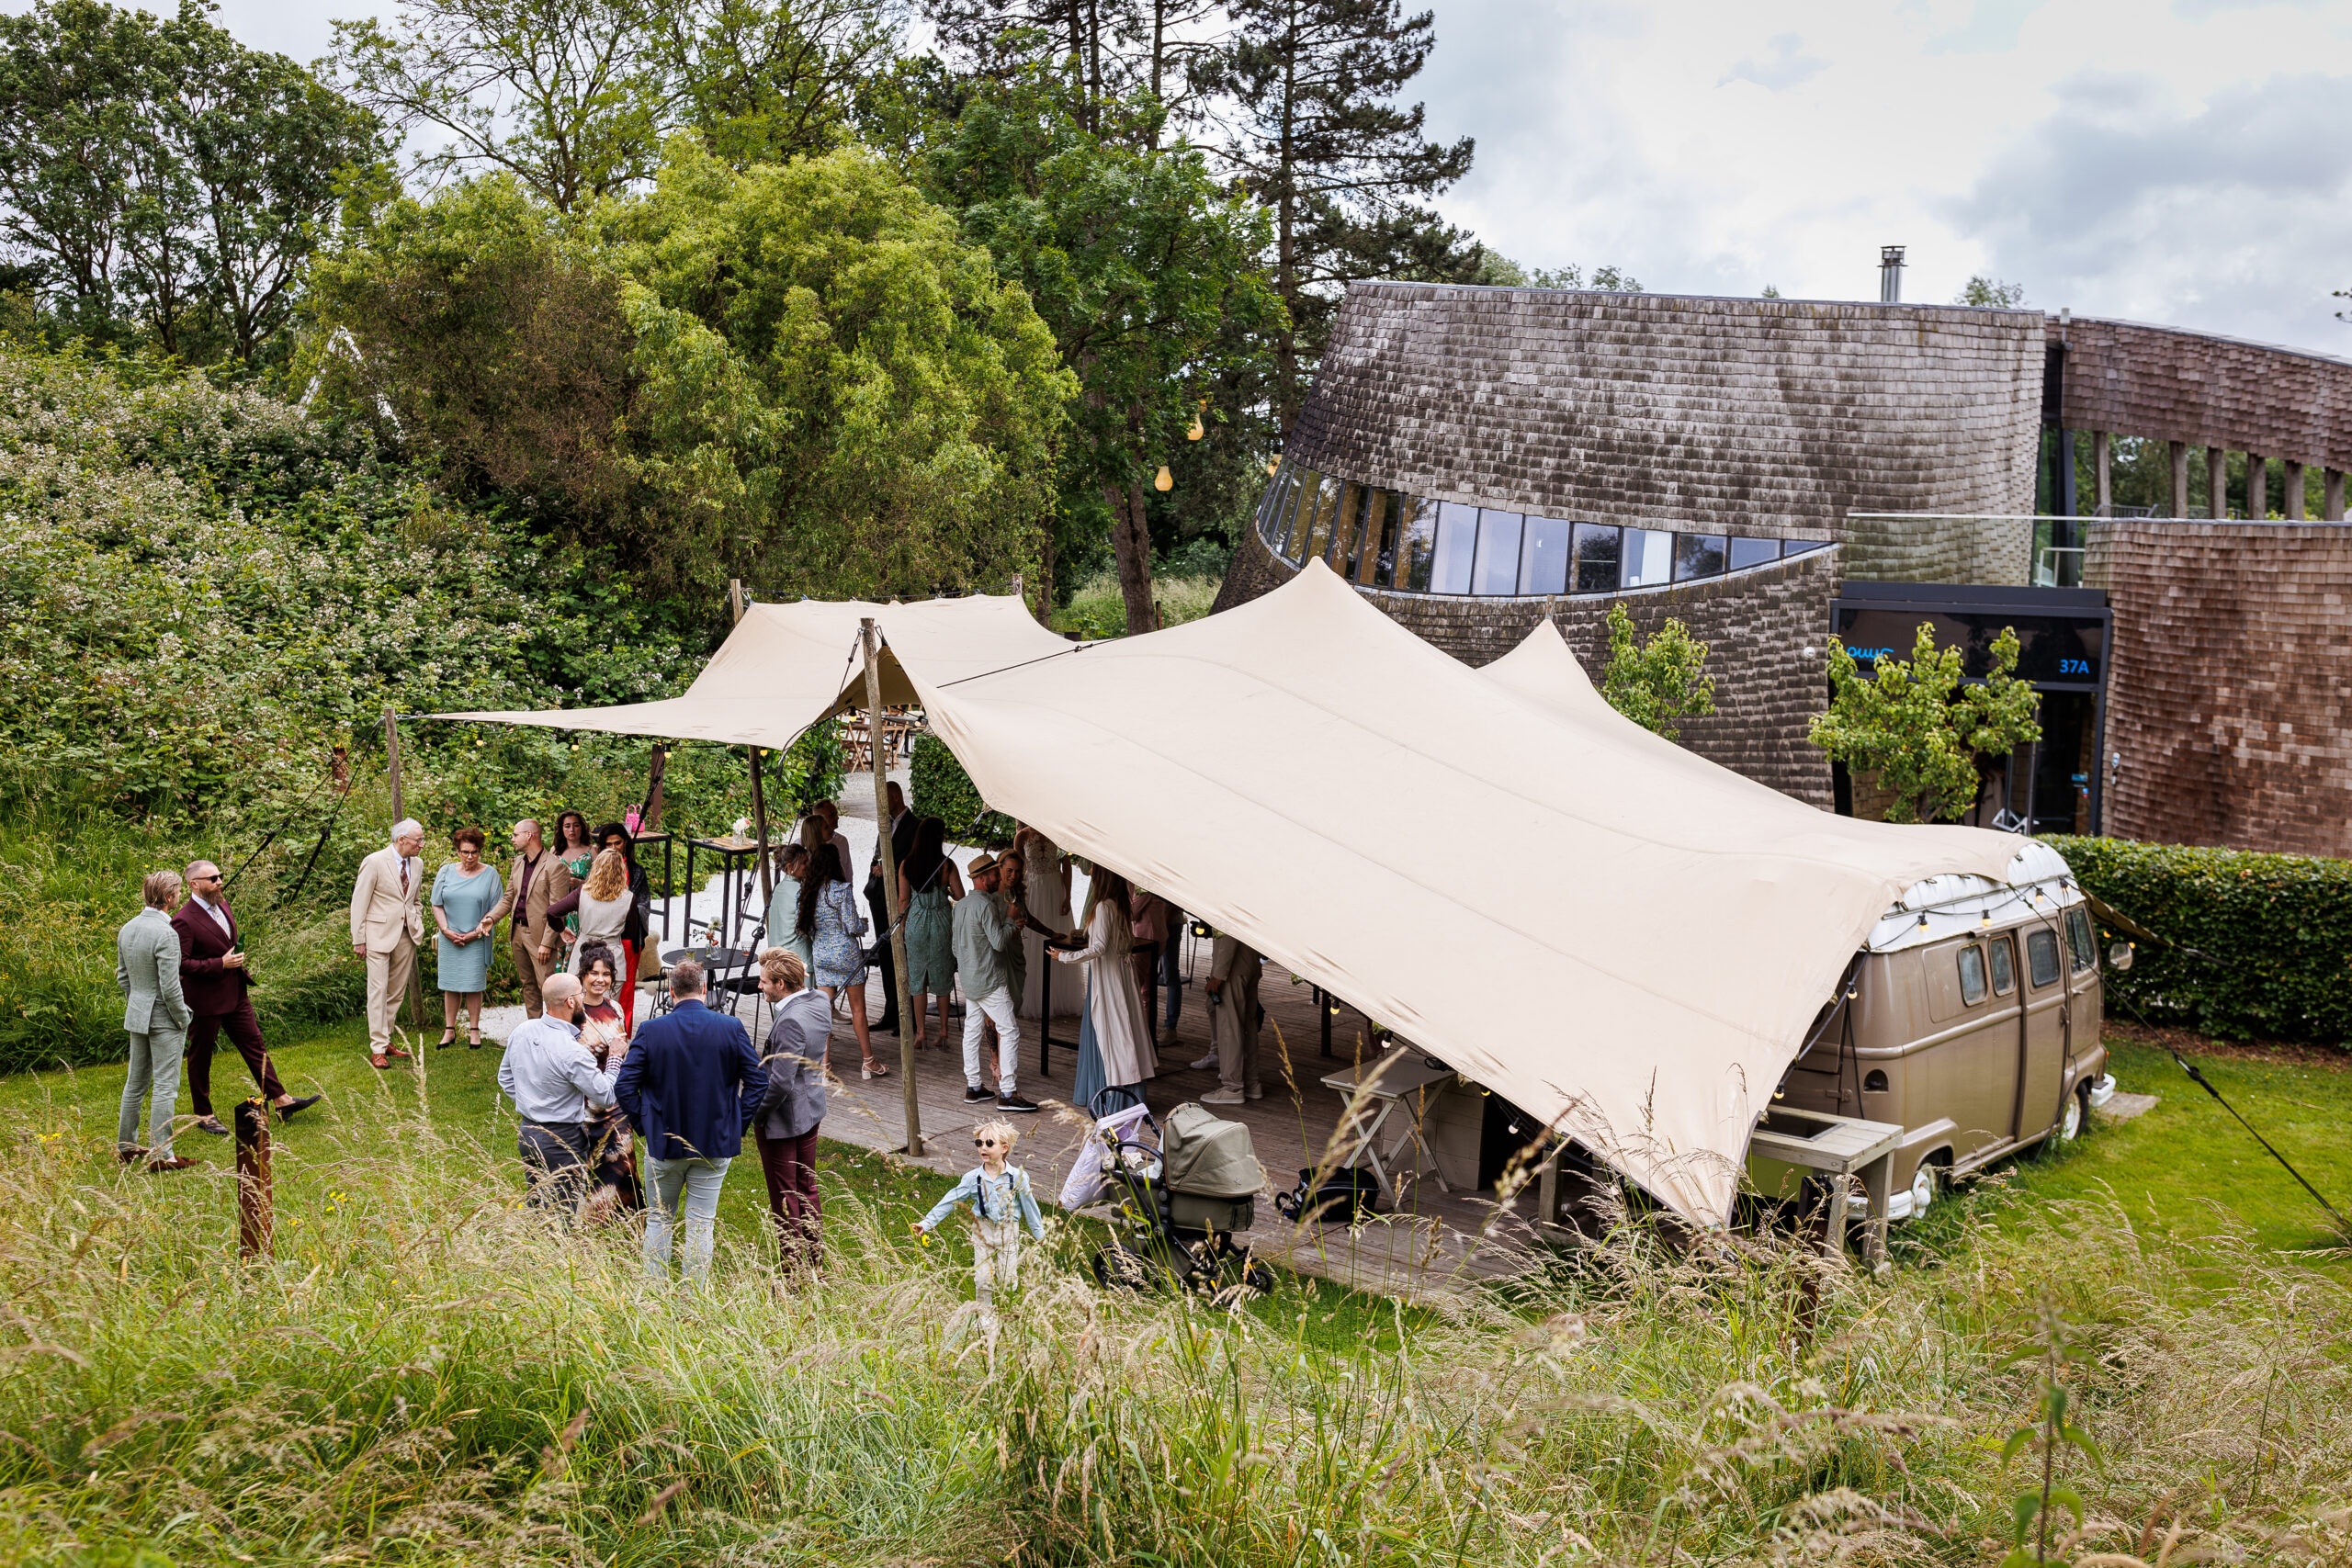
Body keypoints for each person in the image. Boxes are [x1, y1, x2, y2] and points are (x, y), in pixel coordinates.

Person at [616, 959, 766, 1283]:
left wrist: (645, 1123)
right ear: (705, 989)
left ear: (670, 992)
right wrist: (736, 1124)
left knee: (659, 1220)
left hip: (663, 1143)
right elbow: (758, 1081)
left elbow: (624, 1086)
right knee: (701, 1223)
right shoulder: (730, 1027)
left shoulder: (651, 1030)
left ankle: (654, 1293)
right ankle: (694, 1295)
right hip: (714, 1143)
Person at [173, 860, 320, 1134]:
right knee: (200, 1056)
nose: (219, 882)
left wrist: (232, 962)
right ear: (194, 884)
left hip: (235, 991)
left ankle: (281, 1100)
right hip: (205, 999)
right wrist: (220, 964)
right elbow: (182, 963)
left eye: (220, 876)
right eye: (212, 878)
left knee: (255, 1045)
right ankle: (203, 1113)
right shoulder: (184, 919)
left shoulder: (222, 904)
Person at [911, 1118, 1046, 1333]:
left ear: (1004, 1148)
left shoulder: (1018, 1177)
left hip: (1007, 1232)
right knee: (983, 1277)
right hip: (982, 1231)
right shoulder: (972, 1178)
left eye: (989, 1144)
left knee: (1008, 1280)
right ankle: (985, 1317)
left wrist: (1039, 1233)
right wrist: (927, 1223)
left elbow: (1030, 1207)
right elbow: (950, 1200)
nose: (983, 1148)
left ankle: (1006, 1315)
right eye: (979, 1144)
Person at [495, 972, 612, 1213]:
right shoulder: (572, 1051)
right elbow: (606, 1096)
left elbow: (504, 1077)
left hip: (528, 1134)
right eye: (581, 993)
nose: (583, 998)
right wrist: (616, 1060)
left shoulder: (523, 1031)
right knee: (562, 1214)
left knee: (538, 1208)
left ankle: (534, 1249)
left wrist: (532, 1102)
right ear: (571, 1001)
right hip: (561, 1139)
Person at [752, 947, 831, 1269]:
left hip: (784, 1118)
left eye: (765, 982)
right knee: (806, 1188)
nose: (760, 987)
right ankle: (815, 1260)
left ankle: (793, 1269)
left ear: (782, 984)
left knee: (785, 1196)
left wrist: (757, 1115)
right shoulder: (819, 1001)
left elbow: (781, 1083)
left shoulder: (790, 1022)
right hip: (811, 1107)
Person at [1055, 865, 1155, 1115]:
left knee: (1111, 1035)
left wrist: (1064, 956)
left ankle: (1111, 1099)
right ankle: (1129, 1098)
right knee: (1124, 1034)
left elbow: (1098, 947)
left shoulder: (1102, 907)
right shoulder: (1120, 905)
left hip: (1108, 977)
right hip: (1122, 975)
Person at [116, 870, 195, 1171]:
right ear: (170, 897)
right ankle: (163, 1155)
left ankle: (126, 1147)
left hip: (137, 1014)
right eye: (177, 892)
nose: (179, 896)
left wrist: (137, 1004)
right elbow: (171, 985)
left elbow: (123, 977)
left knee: (135, 1083)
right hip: (164, 1017)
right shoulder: (166, 933)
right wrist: (181, 1017)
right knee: (165, 1085)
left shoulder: (128, 928)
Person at [951, 852, 1035, 1112]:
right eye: (995, 875)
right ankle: (1008, 1092)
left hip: (970, 977)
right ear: (982, 878)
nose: (998, 878)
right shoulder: (986, 905)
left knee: (972, 1031)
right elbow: (998, 943)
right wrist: (1010, 920)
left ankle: (974, 1086)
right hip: (990, 979)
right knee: (1009, 1030)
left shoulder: (962, 905)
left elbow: (955, 948)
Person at [799, 841, 888, 1079]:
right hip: (846, 954)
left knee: (825, 1010)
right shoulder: (841, 890)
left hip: (823, 955)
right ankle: (868, 1061)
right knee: (858, 1009)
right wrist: (863, 925)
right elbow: (851, 925)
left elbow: (807, 929)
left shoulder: (808, 890)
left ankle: (825, 1065)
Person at [350, 818, 427, 1069]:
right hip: (377, 936)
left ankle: (386, 1041)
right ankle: (377, 1049)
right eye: (418, 840)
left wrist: (418, 918)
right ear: (401, 839)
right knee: (377, 991)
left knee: (396, 992)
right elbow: (359, 903)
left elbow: (415, 900)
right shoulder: (374, 861)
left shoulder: (418, 864)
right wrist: (358, 939)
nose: (422, 845)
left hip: (407, 934)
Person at [575, 942, 642, 1213]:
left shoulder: (615, 1007)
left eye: (606, 974)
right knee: (587, 1173)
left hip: (615, 1104)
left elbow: (621, 1045)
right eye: (594, 973)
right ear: (583, 976)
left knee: (624, 1169)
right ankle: (588, 1227)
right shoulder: (573, 1011)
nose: (600, 979)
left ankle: (628, 1229)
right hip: (584, 1104)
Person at [489, 818, 577, 1020]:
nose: (512, 839)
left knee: (547, 987)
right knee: (528, 985)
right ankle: (535, 1029)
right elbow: (509, 898)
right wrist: (491, 919)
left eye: (515, 834)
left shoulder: (555, 867)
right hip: (518, 933)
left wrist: (547, 943)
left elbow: (557, 909)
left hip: (540, 937)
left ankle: (555, 1031)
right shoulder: (518, 862)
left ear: (529, 835)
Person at [430, 827, 503, 1049]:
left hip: (477, 937)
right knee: (450, 984)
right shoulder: (445, 872)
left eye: (474, 852)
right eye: (465, 852)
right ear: (458, 851)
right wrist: (445, 930)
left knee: (473, 984)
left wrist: (475, 933)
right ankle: (449, 1030)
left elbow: (496, 908)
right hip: (449, 936)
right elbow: (436, 903)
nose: (470, 857)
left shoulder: (490, 874)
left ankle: (474, 1030)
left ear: (480, 851)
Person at [898, 817, 963, 1049]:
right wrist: (943, 890)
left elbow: (903, 899)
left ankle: (922, 1031)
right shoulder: (947, 865)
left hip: (916, 923)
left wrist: (903, 926)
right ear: (939, 837)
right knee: (943, 977)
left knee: (918, 980)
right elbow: (960, 896)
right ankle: (944, 1030)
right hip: (941, 923)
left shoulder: (907, 864)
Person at [594, 821, 654, 1032]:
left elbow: (644, 907)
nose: (613, 848)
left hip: (627, 940)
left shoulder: (636, 872)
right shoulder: (596, 872)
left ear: (626, 843)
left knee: (625, 992)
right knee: (597, 989)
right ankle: (599, 1034)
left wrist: (623, 911)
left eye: (617, 843)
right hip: (600, 939)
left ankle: (622, 1036)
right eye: (608, 844)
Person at [1197, 932, 1264, 1107]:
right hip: (1250, 961)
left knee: (1230, 1028)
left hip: (1233, 968)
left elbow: (1228, 932)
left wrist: (1218, 975)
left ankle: (1233, 1087)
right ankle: (1252, 1082)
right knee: (1248, 1025)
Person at [1013, 825, 1073, 1022]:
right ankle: (1032, 997)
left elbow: (1067, 866)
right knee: (1033, 940)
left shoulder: (1058, 832)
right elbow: (1016, 868)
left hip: (1055, 890)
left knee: (1058, 936)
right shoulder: (1022, 835)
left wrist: (1068, 897)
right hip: (1033, 890)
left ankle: (1058, 996)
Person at [546, 848, 633, 977]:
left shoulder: (581, 893)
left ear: (595, 868)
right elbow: (631, 932)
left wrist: (562, 929)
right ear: (622, 871)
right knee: (609, 998)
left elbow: (552, 912)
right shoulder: (629, 898)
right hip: (613, 957)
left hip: (584, 953)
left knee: (579, 996)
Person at [763, 843, 812, 976]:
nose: (808, 865)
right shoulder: (801, 892)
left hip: (778, 957)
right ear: (790, 867)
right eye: (804, 863)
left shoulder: (778, 888)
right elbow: (809, 927)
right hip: (799, 959)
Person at [1127, 884, 1167, 1046]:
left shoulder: (1144, 882)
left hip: (1147, 938)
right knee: (1146, 991)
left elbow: (1133, 913)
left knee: (1134, 987)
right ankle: (1147, 1038)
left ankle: (1141, 1039)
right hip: (1153, 935)